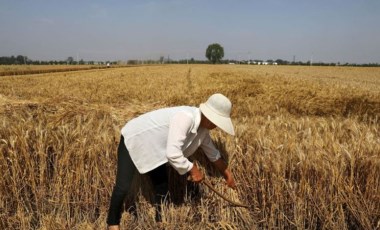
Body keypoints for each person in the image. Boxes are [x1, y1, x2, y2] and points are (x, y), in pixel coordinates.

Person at [107, 93, 237, 229]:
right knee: (123, 185)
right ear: (211, 119)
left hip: (156, 148)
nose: (217, 126)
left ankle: (160, 220)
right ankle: (112, 223)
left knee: (162, 185)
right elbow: (173, 153)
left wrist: (227, 174)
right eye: (218, 123)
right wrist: (193, 169)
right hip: (135, 138)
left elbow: (213, 153)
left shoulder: (202, 130)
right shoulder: (185, 118)